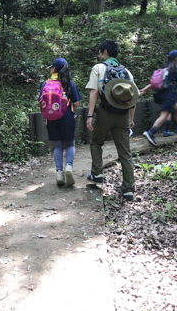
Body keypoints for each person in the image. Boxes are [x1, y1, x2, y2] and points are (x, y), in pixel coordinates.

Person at [85, 40, 139, 202]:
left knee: (96, 143)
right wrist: (131, 119)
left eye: (100, 52)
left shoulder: (98, 68)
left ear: (105, 52)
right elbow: (133, 98)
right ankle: (128, 189)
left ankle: (97, 174)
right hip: (123, 115)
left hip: (105, 113)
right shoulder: (127, 72)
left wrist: (89, 116)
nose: (98, 55)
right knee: (125, 153)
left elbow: (94, 92)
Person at [39, 58, 82, 186]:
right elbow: (76, 103)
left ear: (53, 69)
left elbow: (40, 102)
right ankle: (69, 167)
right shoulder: (69, 83)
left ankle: (59, 172)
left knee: (58, 146)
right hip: (67, 117)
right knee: (69, 144)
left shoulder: (46, 84)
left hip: (51, 119)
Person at [142, 50, 177, 146]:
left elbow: (154, 82)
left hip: (160, 94)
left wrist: (144, 89)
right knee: (164, 114)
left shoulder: (165, 69)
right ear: (176, 59)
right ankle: (151, 132)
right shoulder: (176, 70)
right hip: (169, 95)